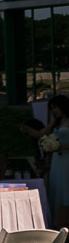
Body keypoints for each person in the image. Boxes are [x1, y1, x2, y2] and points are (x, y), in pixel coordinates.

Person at [43, 95, 69, 226]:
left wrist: (61, 147)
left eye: (56, 107)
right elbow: (41, 133)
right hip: (56, 162)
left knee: (66, 188)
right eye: (52, 108)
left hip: (66, 159)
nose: (54, 111)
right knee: (57, 188)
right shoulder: (55, 123)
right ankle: (58, 221)